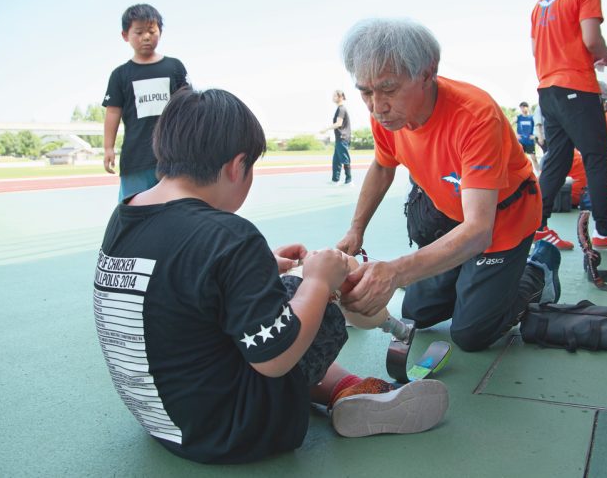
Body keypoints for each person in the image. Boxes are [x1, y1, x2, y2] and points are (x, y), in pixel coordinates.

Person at [92, 87, 449, 465]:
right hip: (240, 432)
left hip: (167, 420)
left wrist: (259, 264)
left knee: (271, 297)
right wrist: (318, 282)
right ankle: (348, 385)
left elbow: (181, 276)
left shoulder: (126, 215)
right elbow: (274, 357)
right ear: (237, 166)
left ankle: (343, 390)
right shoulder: (229, 235)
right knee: (298, 293)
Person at [335, 18, 561, 353]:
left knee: (471, 333)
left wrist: (396, 272)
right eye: (365, 92)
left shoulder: (475, 116)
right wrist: (356, 229)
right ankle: (474, 277)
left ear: (428, 73)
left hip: (503, 222)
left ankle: (539, 267)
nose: (377, 106)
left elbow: (480, 230)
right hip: (458, 222)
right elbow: (383, 166)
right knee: (416, 312)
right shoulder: (387, 116)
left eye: (389, 89)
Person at [531, 0, 607, 250]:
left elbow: (537, 48)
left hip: (548, 87)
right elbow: (592, 40)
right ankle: (604, 231)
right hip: (576, 85)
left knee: (557, 158)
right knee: (596, 156)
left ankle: (537, 226)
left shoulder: (542, 1)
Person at [102, 4, 189, 201]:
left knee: (175, 210)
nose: (146, 37)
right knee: (133, 213)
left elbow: (188, 107)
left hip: (173, 158)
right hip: (136, 159)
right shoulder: (120, 75)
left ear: (160, 31)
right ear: (125, 35)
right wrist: (108, 147)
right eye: (139, 32)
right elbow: (113, 112)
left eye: (151, 31)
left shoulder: (174, 67)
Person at [322, 90, 353, 185]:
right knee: (336, 160)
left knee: (344, 159)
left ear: (340, 97)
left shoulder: (341, 109)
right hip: (339, 138)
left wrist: (326, 129)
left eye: (335, 96)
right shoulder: (339, 109)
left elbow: (339, 123)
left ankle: (349, 180)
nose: (333, 97)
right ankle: (335, 180)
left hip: (342, 137)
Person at [516, 101, 540, 173]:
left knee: (534, 158)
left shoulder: (532, 118)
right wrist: (515, 134)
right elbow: (508, 124)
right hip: (521, 142)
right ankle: (523, 174)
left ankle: (539, 173)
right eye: (521, 108)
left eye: (524, 107)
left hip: (530, 141)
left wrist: (535, 135)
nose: (523, 109)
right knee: (520, 160)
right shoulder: (518, 117)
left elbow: (538, 126)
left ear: (527, 107)